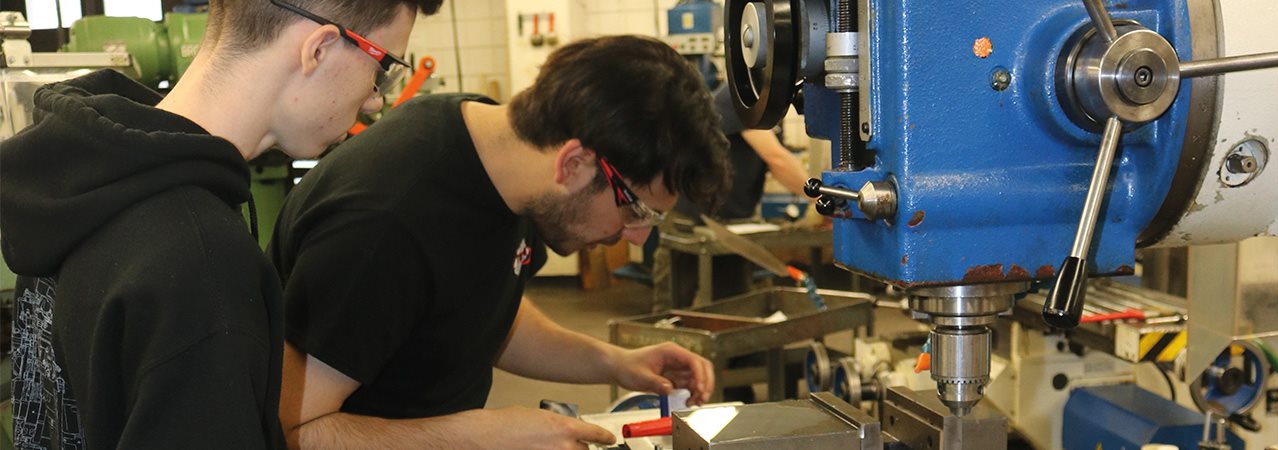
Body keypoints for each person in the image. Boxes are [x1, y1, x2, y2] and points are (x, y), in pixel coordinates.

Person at [0, 0, 438, 447]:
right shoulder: (203, 265)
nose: (375, 98)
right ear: (319, 48)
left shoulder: (80, 175)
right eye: (381, 65)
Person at [269, 35, 730, 449]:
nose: (637, 237)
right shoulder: (381, 228)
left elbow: (478, 307)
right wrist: (475, 438)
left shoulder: (502, 160)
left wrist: (615, 363)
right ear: (574, 163)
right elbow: (292, 430)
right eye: (636, 210)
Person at [651, 83, 813, 312]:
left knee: (733, 308)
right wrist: (818, 197)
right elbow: (777, 159)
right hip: (693, 219)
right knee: (673, 310)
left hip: (731, 222)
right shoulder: (743, 96)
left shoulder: (767, 107)